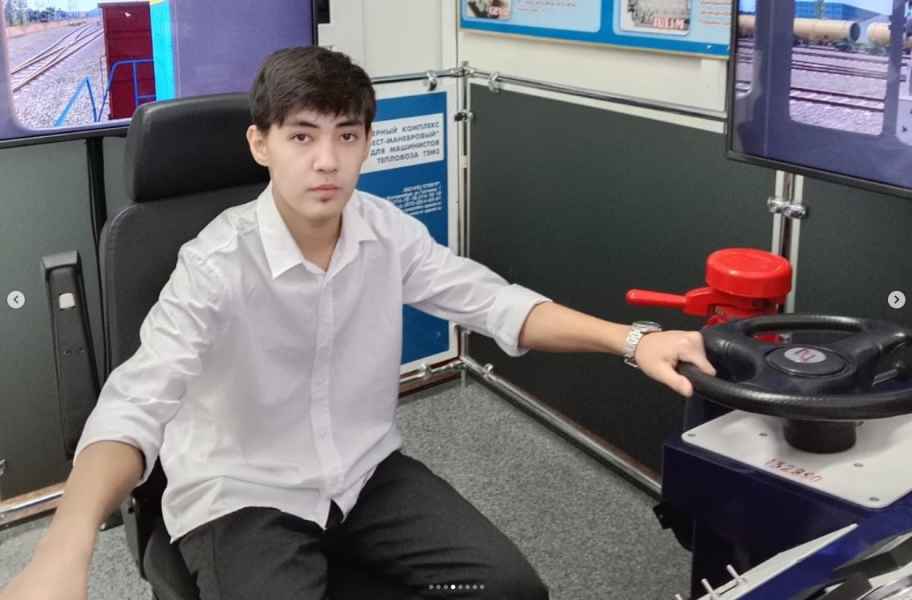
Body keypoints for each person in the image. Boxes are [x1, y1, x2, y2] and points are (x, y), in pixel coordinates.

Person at [0, 46, 715, 600]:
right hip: (243, 493)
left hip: (361, 474)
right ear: (260, 144)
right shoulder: (215, 262)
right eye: (302, 136)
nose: (327, 161)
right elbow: (135, 403)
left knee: (512, 590)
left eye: (346, 135)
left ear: (368, 143)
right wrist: (65, 548)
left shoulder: (385, 231)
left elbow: (496, 303)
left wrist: (632, 340)